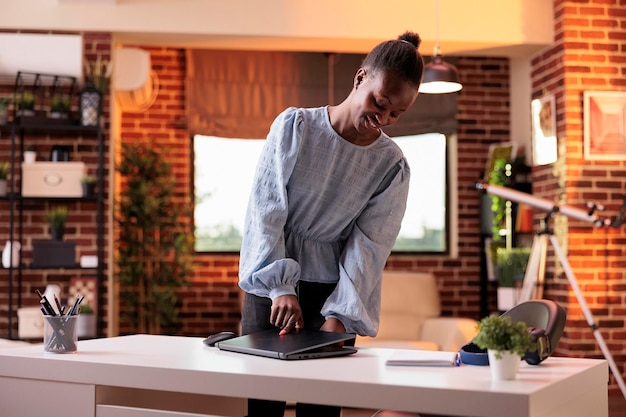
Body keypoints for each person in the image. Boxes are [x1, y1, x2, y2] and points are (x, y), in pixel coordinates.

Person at [238, 31, 425, 417]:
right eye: (380, 102)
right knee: (263, 406)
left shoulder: (391, 165)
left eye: (396, 114)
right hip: (270, 289)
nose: (384, 118)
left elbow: (370, 245)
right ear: (360, 78)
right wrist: (279, 289)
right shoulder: (296, 127)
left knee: (321, 411)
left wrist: (340, 315)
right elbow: (266, 210)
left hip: (333, 296)